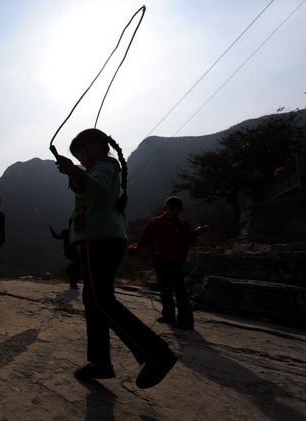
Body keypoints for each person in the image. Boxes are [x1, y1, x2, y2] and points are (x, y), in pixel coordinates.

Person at [54, 128, 177, 389]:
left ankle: (157, 355)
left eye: (82, 153)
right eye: (77, 157)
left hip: (100, 240)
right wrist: (76, 173)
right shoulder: (103, 167)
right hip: (99, 239)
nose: (81, 160)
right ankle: (100, 362)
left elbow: (96, 190)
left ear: (96, 145)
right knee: (94, 298)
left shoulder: (104, 166)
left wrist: (74, 172)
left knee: (101, 300)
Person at [128, 196, 207, 331]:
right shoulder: (155, 222)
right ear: (166, 208)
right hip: (159, 260)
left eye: (177, 210)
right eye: (172, 209)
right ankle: (169, 315)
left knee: (179, 289)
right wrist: (134, 249)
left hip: (175, 261)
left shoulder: (182, 225)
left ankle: (186, 321)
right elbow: (145, 238)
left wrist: (196, 233)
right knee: (165, 288)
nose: (174, 212)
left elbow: (186, 241)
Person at [49, 219, 81, 290]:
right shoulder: (68, 232)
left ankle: (73, 283)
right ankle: (73, 284)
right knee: (76, 268)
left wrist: (52, 230)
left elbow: (57, 237)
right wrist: (52, 230)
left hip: (73, 253)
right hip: (70, 253)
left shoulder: (72, 232)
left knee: (77, 268)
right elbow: (57, 237)